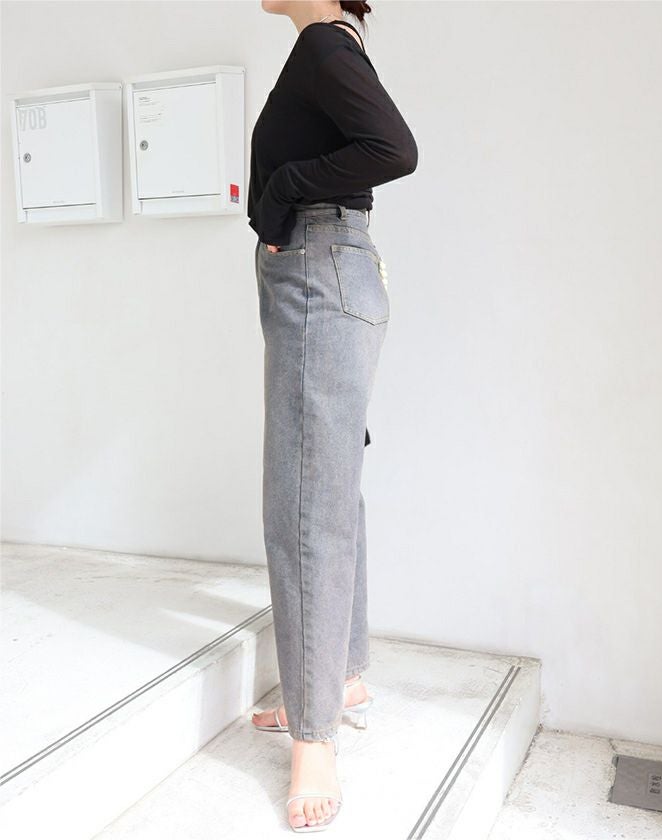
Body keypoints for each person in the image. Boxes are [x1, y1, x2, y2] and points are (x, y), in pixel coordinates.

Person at [247, 0, 418, 831]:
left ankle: (315, 740)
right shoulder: (335, 44)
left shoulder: (323, 43)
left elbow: (394, 148)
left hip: (318, 273)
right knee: (329, 489)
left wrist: (284, 188)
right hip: (335, 271)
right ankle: (338, 680)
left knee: (303, 506)